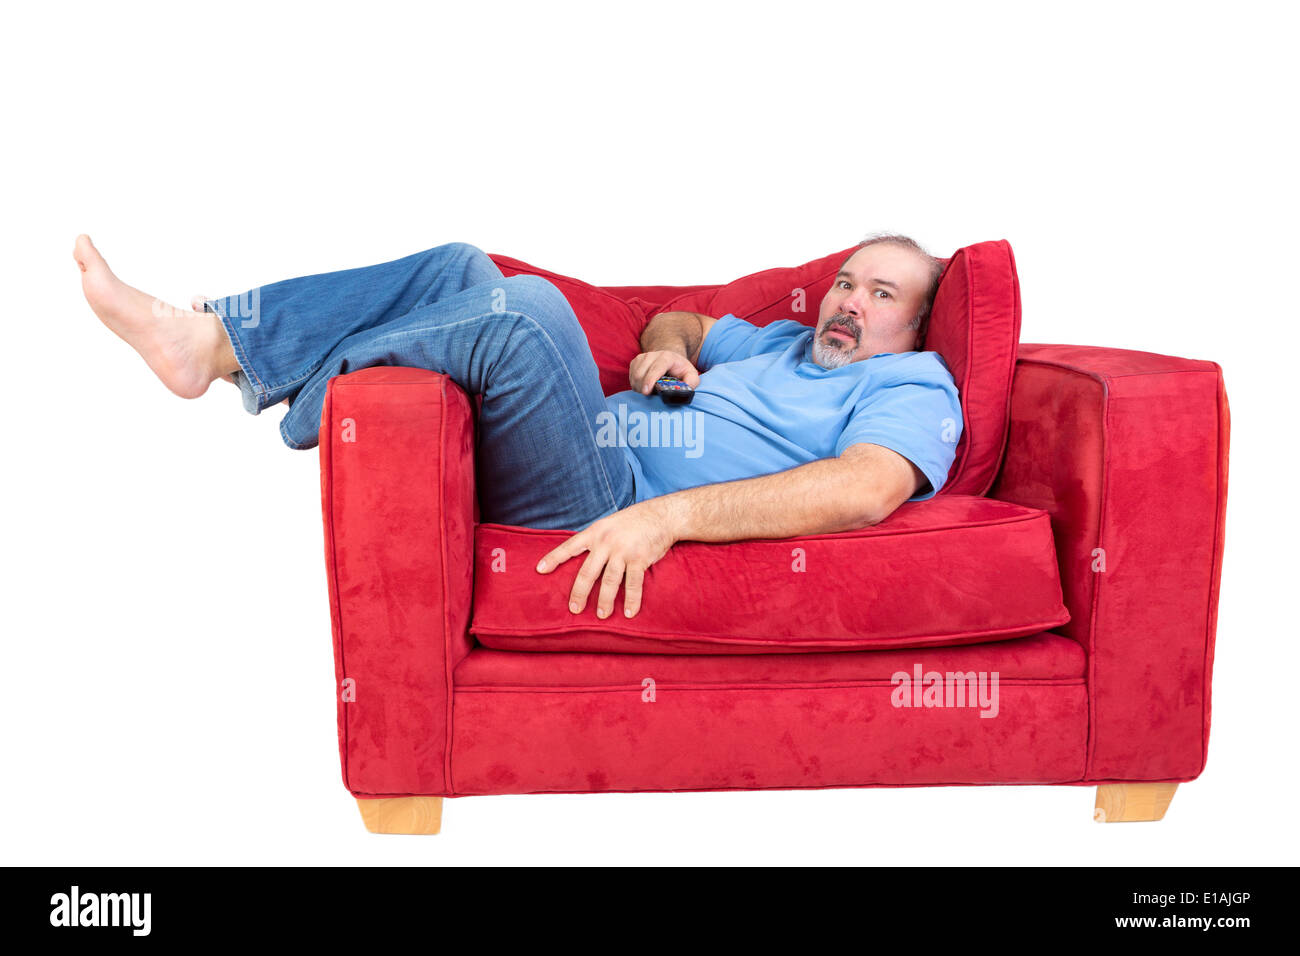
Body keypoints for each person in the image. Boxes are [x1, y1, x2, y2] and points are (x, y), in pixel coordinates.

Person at [74, 233, 962, 620]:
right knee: (465, 264)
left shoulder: (913, 384)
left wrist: (666, 518)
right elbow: (683, 319)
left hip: (606, 497)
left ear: (915, 327)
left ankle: (244, 366)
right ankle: (224, 340)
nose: (847, 302)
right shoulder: (780, 341)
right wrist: (667, 352)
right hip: (585, 441)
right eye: (846, 281)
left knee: (526, 309)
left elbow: (865, 488)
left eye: (881, 295)